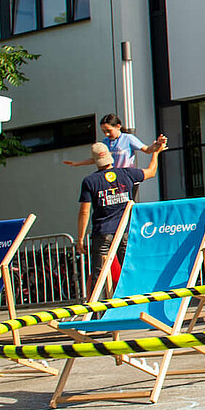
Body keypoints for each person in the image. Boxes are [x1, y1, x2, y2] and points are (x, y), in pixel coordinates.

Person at [77, 138, 167, 291]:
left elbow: (85, 211)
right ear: (109, 157)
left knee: (98, 274)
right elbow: (151, 172)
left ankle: (94, 311)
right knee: (130, 270)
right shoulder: (126, 173)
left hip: (102, 232)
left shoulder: (90, 181)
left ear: (94, 160)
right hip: (125, 230)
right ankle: (138, 304)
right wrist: (156, 154)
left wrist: (80, 238)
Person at [65, 114, 165, 169]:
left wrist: (157, 144)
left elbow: (147, 149)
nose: (106, 134)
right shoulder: (105, 142)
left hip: (127, 177)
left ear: (118, 126)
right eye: (104, 132)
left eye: (109, 131)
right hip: (113, 177)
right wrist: (77, 163)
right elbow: (96, 159)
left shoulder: (128, 138)